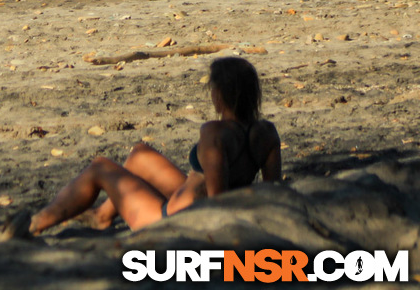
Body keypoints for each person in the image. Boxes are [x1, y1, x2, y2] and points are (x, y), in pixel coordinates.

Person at [23, 56, 281, 236]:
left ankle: (34, 225)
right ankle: (102, 215)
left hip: (175, 218)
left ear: (219, 94)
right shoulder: (267, 132)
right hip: (194, 200)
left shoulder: (214, 132)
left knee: (99, 167)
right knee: (139, 154)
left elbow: (216, 202)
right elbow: (274, 192)